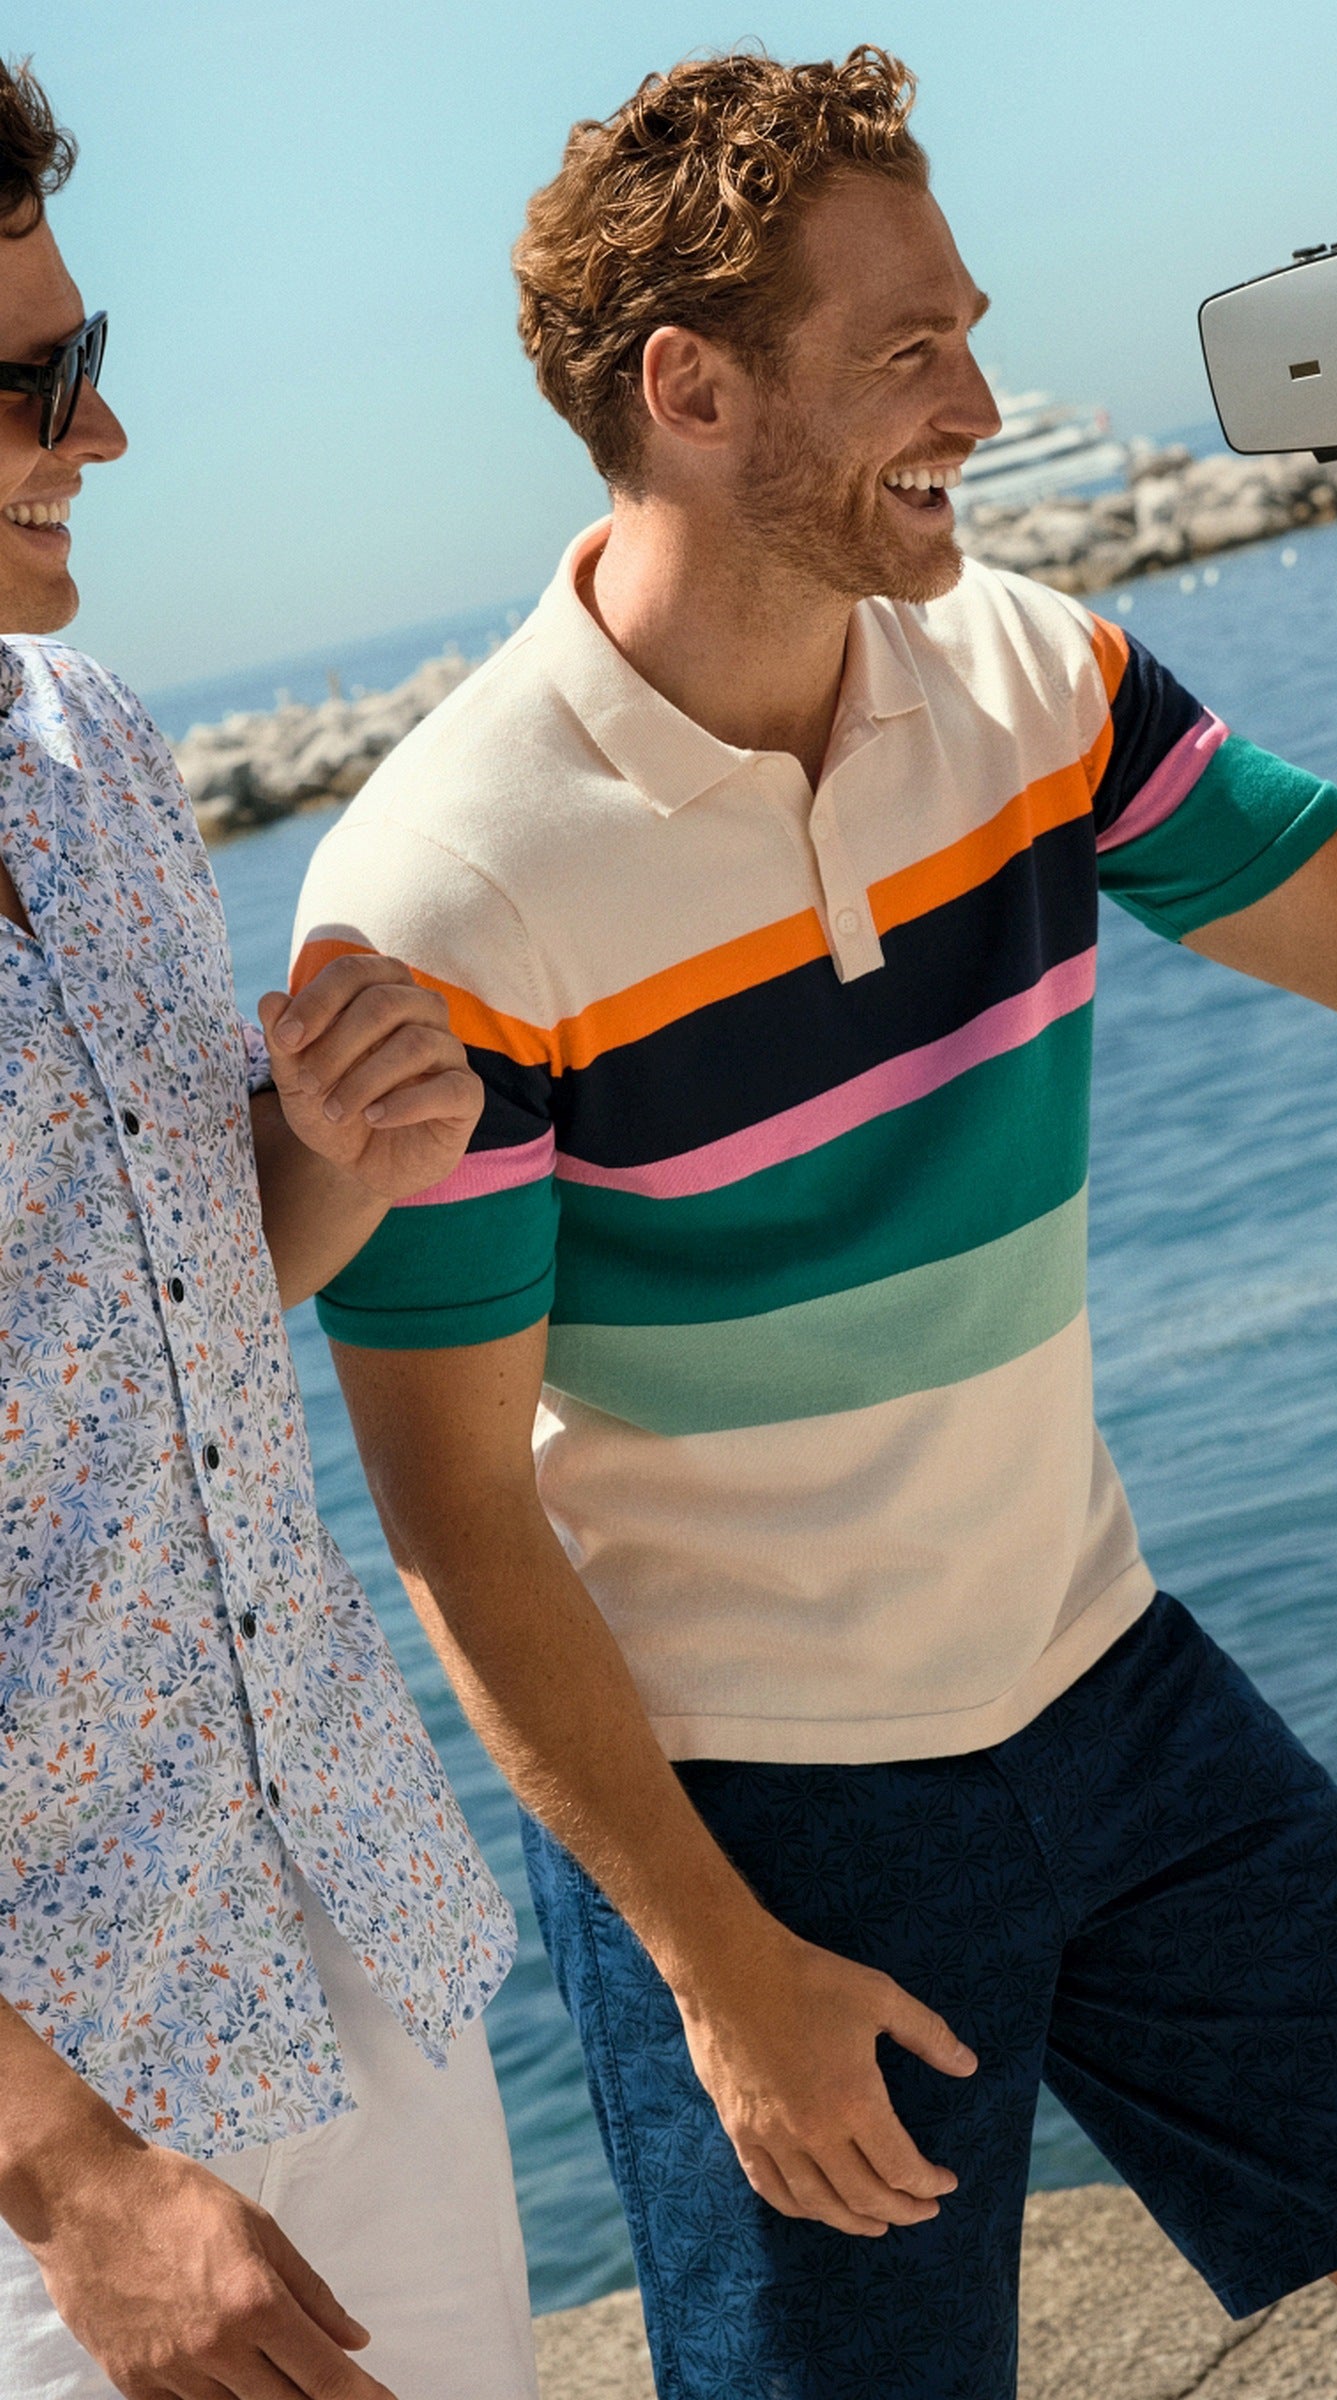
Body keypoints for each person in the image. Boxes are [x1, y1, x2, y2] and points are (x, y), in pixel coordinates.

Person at [295, 45, 1337, 2400]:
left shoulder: (1040, 680)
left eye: (972, 330)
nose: (984, 403)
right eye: (908, 351)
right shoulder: (450, 887)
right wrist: (719, 1968)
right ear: (690, 388)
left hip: (1107, 1684)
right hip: (764, 1816)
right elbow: (451, 1515)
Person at [0, 58, 539, 2400]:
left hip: (341, 1929)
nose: (100, 437)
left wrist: (341, 1145)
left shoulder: (91, 743)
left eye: (86, 359)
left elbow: (184, 1298)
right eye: (40, 383)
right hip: (60, 2099)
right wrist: (68, 2173)